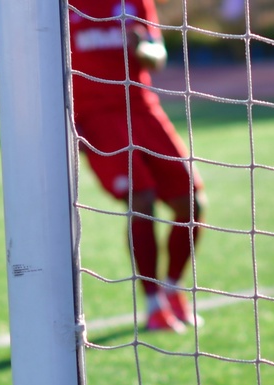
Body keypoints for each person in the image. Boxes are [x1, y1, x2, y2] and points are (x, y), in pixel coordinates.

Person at [68, 0, 206, 333]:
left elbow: (158, 56)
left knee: (191, 203)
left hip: (143, 109)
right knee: (141, 199)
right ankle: (152, 304)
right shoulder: (62, 6)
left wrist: (143, 47)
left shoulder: (136, 3)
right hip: (96, 118)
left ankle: (172, 289)